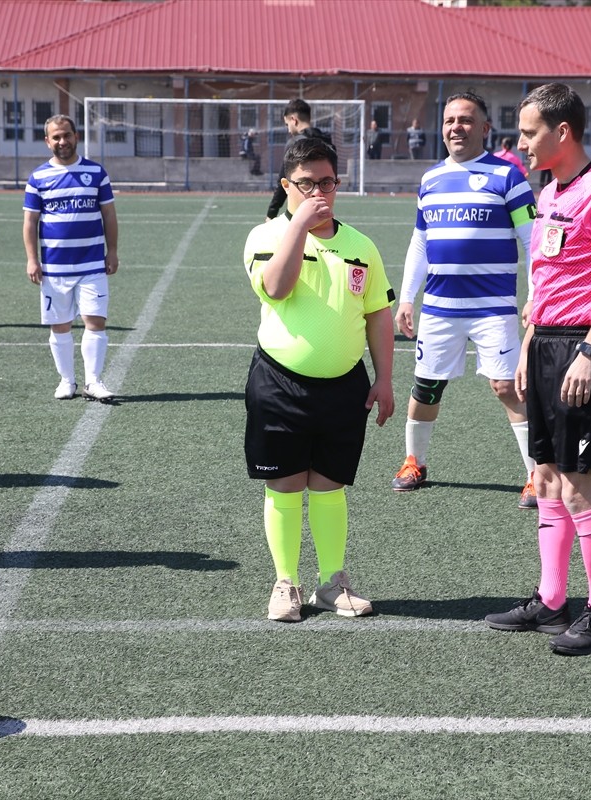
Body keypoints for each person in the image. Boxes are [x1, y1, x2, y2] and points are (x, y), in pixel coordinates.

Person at [483, 82, 591, 657]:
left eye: (528, 132)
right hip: (544, 344)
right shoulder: (548, 192)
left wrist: (590, 353)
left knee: (579, 487)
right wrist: (527, 344)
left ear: (562, 132)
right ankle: (551, 602)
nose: (520, 143)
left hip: (581, 350)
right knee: (545, 477)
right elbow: (546, 281)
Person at [243, 135, 394, 622]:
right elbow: (276, 287)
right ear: (287, 185)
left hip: (345, 386)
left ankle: (333, 583)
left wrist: (385, 377)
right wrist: (300, 229)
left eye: (326, 182)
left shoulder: (360, 246)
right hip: (279, 384)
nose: (318, 193)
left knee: (330, 487)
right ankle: (285, 583)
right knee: (285, 488)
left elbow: (377, 315)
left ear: (338, 182)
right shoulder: (266, 236)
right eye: (306, 184)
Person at [392, 92, 539, 509]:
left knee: (508, 386)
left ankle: (535, 474)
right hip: (440, 307)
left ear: (486, 129)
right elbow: (420, 243)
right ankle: (414, 462)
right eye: (450, 120)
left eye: (467, 120)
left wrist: (536, 295)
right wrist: (407, 298)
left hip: (493, 307)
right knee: (426, 386)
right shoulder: (431, 179)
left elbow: (532, 242)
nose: (457, 126)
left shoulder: (508, 176)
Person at [23, 114, 119, 402]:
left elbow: (109, 215)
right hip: (54, 267)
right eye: (56, 137)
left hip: (92, 265)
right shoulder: (38, 177)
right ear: (47, 141)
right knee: (60, 325)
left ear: (76, 136)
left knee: (95, 322)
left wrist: (112, 251)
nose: (62, 141)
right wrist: (31, 259)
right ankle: (67, 381)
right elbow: (30, 222)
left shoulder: (96, 172)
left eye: (67, 135)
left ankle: (93, 381)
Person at [265, 99, 333, 220]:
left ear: (293, 120)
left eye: (287, 125)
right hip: (324, 209)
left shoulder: (295, 143)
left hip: (300, 210)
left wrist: (271, 212)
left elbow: (283, 180)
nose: (288, 130)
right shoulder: (327, 142)